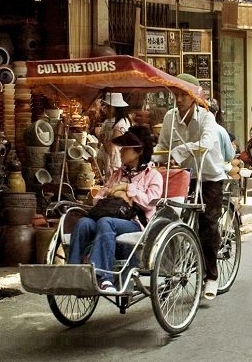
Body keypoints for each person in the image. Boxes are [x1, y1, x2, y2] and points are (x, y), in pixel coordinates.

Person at [154, 73, 226, 300]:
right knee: (168, 220)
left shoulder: (206, 118)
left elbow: (206, 143)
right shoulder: (169, 118)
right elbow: (162, 145)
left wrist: (180, 151)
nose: (179, 99)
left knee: (207, 225)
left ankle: (211, 276)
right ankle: (169, 274)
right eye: (175, 94)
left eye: (183, 95)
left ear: (194, 97)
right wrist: (152, 160)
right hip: (182, 177)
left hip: (208, 177)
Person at [68, 126, 163, 293]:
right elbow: (100, 197)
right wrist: (119, 193)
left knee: (106, 223)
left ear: (138, 151)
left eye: (125, 148)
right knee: (83, 222)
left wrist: (127, 188)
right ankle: (74, 273)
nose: (120, 152)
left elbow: (149, 202)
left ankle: (104, 277)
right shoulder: (117, 174)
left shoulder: (153, 175)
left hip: (135, 222)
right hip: (108, 215)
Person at [96, 92, 132, 178]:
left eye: (109, 107)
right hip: (109, 161)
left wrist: (103, 139)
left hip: (115, 162)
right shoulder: (110, 121)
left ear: (116, 108)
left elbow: (112, 148)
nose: (106, 109)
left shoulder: (120, 124)